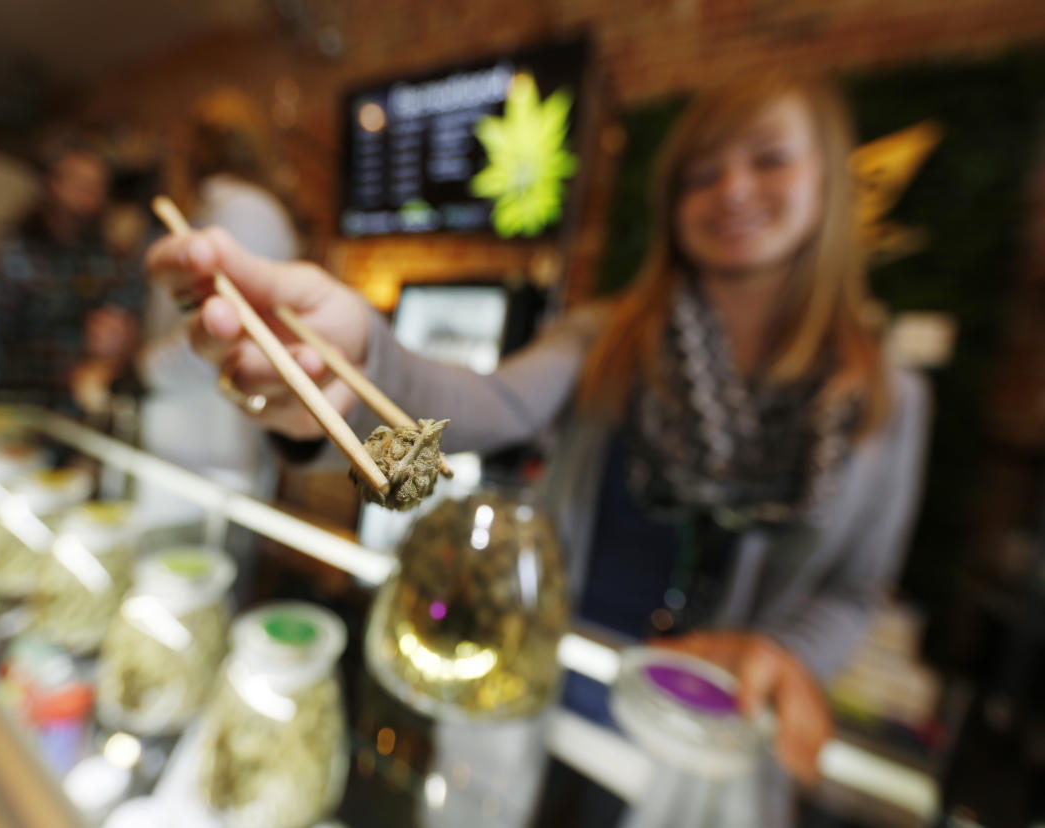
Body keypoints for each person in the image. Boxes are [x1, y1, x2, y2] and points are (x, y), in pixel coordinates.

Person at [145, 71, 930, 824]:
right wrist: (363, 358)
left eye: (769, 160)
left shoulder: (887, 397)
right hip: (548, 677)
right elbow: (487, 404)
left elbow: (858, 588)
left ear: (827, 178)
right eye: (702, 173)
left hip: (710, 731)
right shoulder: (609, 335)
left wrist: (782, 654)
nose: (732, 191)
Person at [135, 107, 300, 533]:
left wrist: (142, 368)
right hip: (186, 445)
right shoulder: (216, 208)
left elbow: (224, 338)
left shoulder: (244, 211)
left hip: (215, 452)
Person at [0, 137, 142, 410]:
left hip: (83, 408)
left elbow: (126, 318)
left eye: (96, 185)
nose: (88, 194)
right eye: (78, 183)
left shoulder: (109, 259)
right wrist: (69, 363)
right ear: (52, 184)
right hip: (16, 402)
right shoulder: (12, 252)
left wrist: (122, 341)